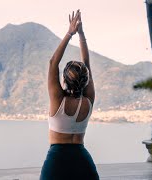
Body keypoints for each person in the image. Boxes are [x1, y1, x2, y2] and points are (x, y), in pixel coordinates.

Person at [40, 10, 99, 180]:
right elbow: (87, 63)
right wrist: (81, 34)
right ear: (86, 79)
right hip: (81, 159)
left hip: (57, 159)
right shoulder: (88, 101)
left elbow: (53, 63)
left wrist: (70, 33)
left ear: (64, 79)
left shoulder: (58, 100)